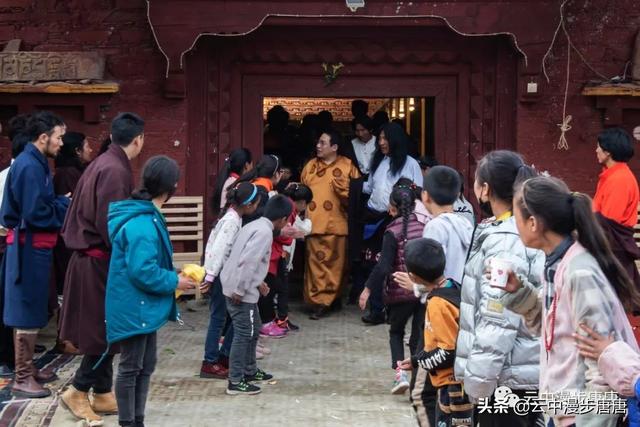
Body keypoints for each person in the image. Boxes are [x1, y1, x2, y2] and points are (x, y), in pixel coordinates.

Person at [499, 175, 640, 427]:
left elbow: (601, 363)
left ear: (533, 223)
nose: (514, 223)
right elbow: (557, 329)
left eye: (515, 216)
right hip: (563, 411)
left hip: (582, 417)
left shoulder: (580, 272)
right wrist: (520, 293)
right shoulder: (557, 262)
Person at [59, 113, 145, 424]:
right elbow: (112, 225)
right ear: (138, 139)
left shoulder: (104, 162)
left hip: (92, 259)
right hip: (98, 261)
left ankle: (103, 391)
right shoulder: (114, 170)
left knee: (106, 326)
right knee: (104, 331)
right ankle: (78, 390)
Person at [454, 150, 544, 427]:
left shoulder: (505, 238)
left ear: (485, 189)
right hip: (517, 373)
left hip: (506, 379)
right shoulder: (511, 228)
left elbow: (498, 315)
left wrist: (478, 383)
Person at [105, 156, 196, 427]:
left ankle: (137, 420)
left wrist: (174, 275)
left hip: (139, 304)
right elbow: (143, 271)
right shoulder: (142, 223)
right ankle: (128, 422)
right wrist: (174, 281)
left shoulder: (145, 215)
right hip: (134, 305)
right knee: (131, 367)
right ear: (171, 186)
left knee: (145, 365)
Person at [0, 111, 70, 398]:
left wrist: (57, 202)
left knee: (34, 305)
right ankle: (22, 376)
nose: (61, 143)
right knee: (26, 309)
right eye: (59, 137)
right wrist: (64, 206)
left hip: (35, 247)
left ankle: (28, 368)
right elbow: (36, 213)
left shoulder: (36, 162)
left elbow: (40, 204)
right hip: (27, 248)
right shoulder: (29, 166)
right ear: (43, 137)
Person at [397, 238, 473, 427]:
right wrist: (415, 360)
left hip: (453, 386)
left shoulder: (438, 304)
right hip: (464, 378)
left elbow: (447, 351)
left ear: (413, 277)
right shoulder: (453, 286)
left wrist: (419, 361)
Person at [221, 195, 292, 395]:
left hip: (240, 285)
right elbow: (248, 262)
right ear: (283, 219)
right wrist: (240, 289)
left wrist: (259, 283)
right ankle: (235, 380)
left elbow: (241, 257)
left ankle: (250, 370)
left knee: (254, 328)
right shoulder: (264, 233)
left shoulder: (254, 225)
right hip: (240, 291)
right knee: (244, 333)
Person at [358, 185, 425, 395]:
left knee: (396, 332)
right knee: (418, 337)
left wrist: (367, 289)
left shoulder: (392, 231)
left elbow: (383, 266)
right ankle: (417, 380)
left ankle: (400, 375)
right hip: (421, 289)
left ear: (392, 208)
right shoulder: (424, 226)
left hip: (399, 290)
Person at [359, 122, 422, 324]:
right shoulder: (378, 161)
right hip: (374, 218)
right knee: (373, 262)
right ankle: (376, 309)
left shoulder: (410, 164)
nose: (381, 142)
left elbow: (418, 192)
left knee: (394, 264)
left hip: (397, 220)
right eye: (380, 138)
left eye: (385, 138)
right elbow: (369, 187)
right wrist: (349, 183)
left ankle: (395, 307)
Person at [200, 182, 261, 379]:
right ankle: (210, 361)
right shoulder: (232, 221)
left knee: (229, 318)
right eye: (256, 204)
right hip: (219, 275)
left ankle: (224, 355)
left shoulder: (233, 217)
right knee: (219, 318)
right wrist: (210, 276)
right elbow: (218, 250)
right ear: (249, 204)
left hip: (223, 274)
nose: (256, 208)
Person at [301, 128, 360, 319]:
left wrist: (344, 191)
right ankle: (318, 302)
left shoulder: (348, 166)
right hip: (314, 224)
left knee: (336, 266)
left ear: (334, 147)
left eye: (323, 143)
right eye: (318, 142)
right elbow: (301, 193)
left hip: (337, 225)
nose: (318, 146)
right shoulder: (310, 166)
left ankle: (331, 300)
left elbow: (357, 198)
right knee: (315, 265)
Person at [0, 115, 30, 378]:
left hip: (13, 244)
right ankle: (7, 358)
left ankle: (15, 356)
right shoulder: (14, 176)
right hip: (9, 246)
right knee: (8, 304)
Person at [592, 127, 640, 289]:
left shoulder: (619, 180)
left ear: (608, 152)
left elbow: (608, 222)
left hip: (613, 248)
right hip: (610, 244)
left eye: (599, 146)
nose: (596, 150)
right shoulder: (612, 175)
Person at [51, 132, 93, 307]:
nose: (90, 150)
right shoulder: (67, 174)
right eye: (87, 146)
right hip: (67, 242)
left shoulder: (72, 172)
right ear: (77, 150)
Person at [278, 183, 313, 330]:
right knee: (282, 288)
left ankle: (279, 319)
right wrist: (308, 219)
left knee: (279, 287)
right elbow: (305, 229)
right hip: (281, 252)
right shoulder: (291, 211)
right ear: (303, 202)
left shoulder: (283, 205)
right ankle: (281, 319)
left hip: (279, 251)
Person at [212, 148, 253, 212]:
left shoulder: (229, 181)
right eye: (252, 164)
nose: (252, 168)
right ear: (246, 165)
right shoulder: (238, 185)